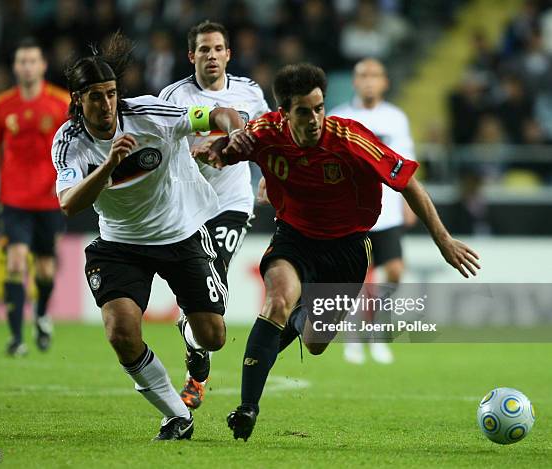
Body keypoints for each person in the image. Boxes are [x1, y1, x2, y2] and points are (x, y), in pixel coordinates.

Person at [202, 63, 480, 441]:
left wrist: (443, 240)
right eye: (304, 110)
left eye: (319, 108)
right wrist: (217, 148)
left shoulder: (350, 138)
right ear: (285, 113)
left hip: (347, 248)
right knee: (277, 299)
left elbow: (408, 182)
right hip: (294, 238)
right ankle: (248, 407)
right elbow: (232, 146)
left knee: (315, 342)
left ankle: (298, 318)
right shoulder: (266, 132)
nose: (315, 118)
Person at [51, 32, 250, 441]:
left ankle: (189, 336)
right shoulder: (69, 142)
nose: (106, 104)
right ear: (78, 100)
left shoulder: (152, 115)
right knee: (121, 332)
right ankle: (176, 415)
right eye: (95, 97)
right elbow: (69, 203)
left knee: (213, 336)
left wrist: (232, 131)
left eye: (110, 94)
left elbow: (217, 116)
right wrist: (109, 165)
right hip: (121, 244)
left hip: (181, 234)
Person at [158, 20, 270, 410]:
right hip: (187, 207)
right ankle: (197, 361)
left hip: (231, 203)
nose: (211, 55)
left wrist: (268, 179)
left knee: (215, 281)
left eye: (217, 48)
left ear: (228, 54)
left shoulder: (250, 93)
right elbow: (160, 145)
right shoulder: (173, 96)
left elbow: (269, 136)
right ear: (192, 56)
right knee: (202, 306)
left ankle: (195, 368)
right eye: (203, 50)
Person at [0, 38, 70, 356]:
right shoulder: (1, 104)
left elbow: (73, 144)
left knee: (45, 270)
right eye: (22, 61)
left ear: (42, 66)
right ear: (15, 67)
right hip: (14, 195)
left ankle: (42, 314)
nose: (27, 66)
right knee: (16, 262)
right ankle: (16, 338)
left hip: (49, 197)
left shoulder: (61, 102)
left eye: (32, 61)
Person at [329, 58, 416, 365]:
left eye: (374, 75)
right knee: (355, 278)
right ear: (354, 81)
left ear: (385, 82)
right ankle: (353, 338)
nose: (368, 80)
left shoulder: (396, 118)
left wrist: (407, 203)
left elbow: (406, 163)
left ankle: (377, 332)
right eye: (362, 75)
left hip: (389, 211)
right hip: (351, 214)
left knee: (394, 271)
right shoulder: (339, 117)